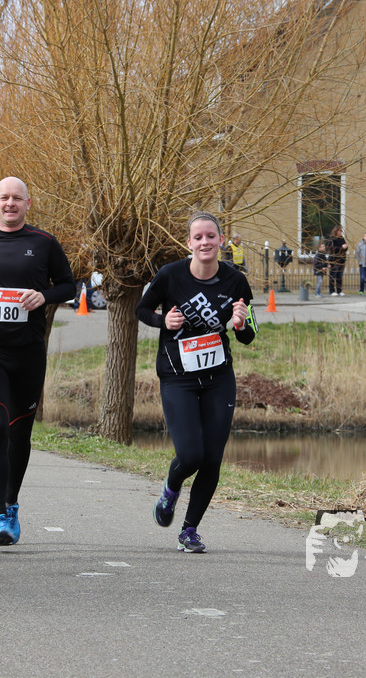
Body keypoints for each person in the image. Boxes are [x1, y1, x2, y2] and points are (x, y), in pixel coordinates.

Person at [0, 177, 75, 547]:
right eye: (4, 198)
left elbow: (69, 285)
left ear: (27, 204)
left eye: (17, 198)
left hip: (29, 350)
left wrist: (44, 296)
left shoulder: (44, 242)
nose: (10, 204)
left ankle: (12, 502)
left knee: (20, 433)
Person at [136, 211, 256, 554]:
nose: (205, 242)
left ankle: (189, 530)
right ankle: (170, 488)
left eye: (211, 236)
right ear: (189, 243)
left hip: (219, 377)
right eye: (198, 237)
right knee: (190, 456)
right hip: (178, 377)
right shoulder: (170, 275)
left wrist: (241, 324)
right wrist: (164, 321)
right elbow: (141, 310)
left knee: (212, 458)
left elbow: (248, 335)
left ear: (221, 240)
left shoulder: (236, 281)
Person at [328, 225, 348, 296]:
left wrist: (345, 247)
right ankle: (332, 290)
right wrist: (341, 247)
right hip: (334, 260)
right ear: (336, 231)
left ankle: (339, 290)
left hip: (341, 260)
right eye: (340, 230)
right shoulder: (332, 239)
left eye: (341, 231)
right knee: (333, 276)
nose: (341, 232)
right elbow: (332, 249)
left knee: (339, 276)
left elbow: (345, 248)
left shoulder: (342, 238)